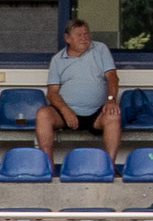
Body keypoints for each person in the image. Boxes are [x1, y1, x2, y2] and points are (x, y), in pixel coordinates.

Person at [37, 19, 121, 162]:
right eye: (79, 35)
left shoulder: (100, 49)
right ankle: (48, 168)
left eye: (86, 34)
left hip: (97, 112)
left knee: (113, 115)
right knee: (43, 114)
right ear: (67, 38)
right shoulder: (57, 60)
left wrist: (111, 100)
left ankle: (110, 166)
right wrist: (65, 110)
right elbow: (52, 92)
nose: (84, 38)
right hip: (66, 113)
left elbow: (112, 77)